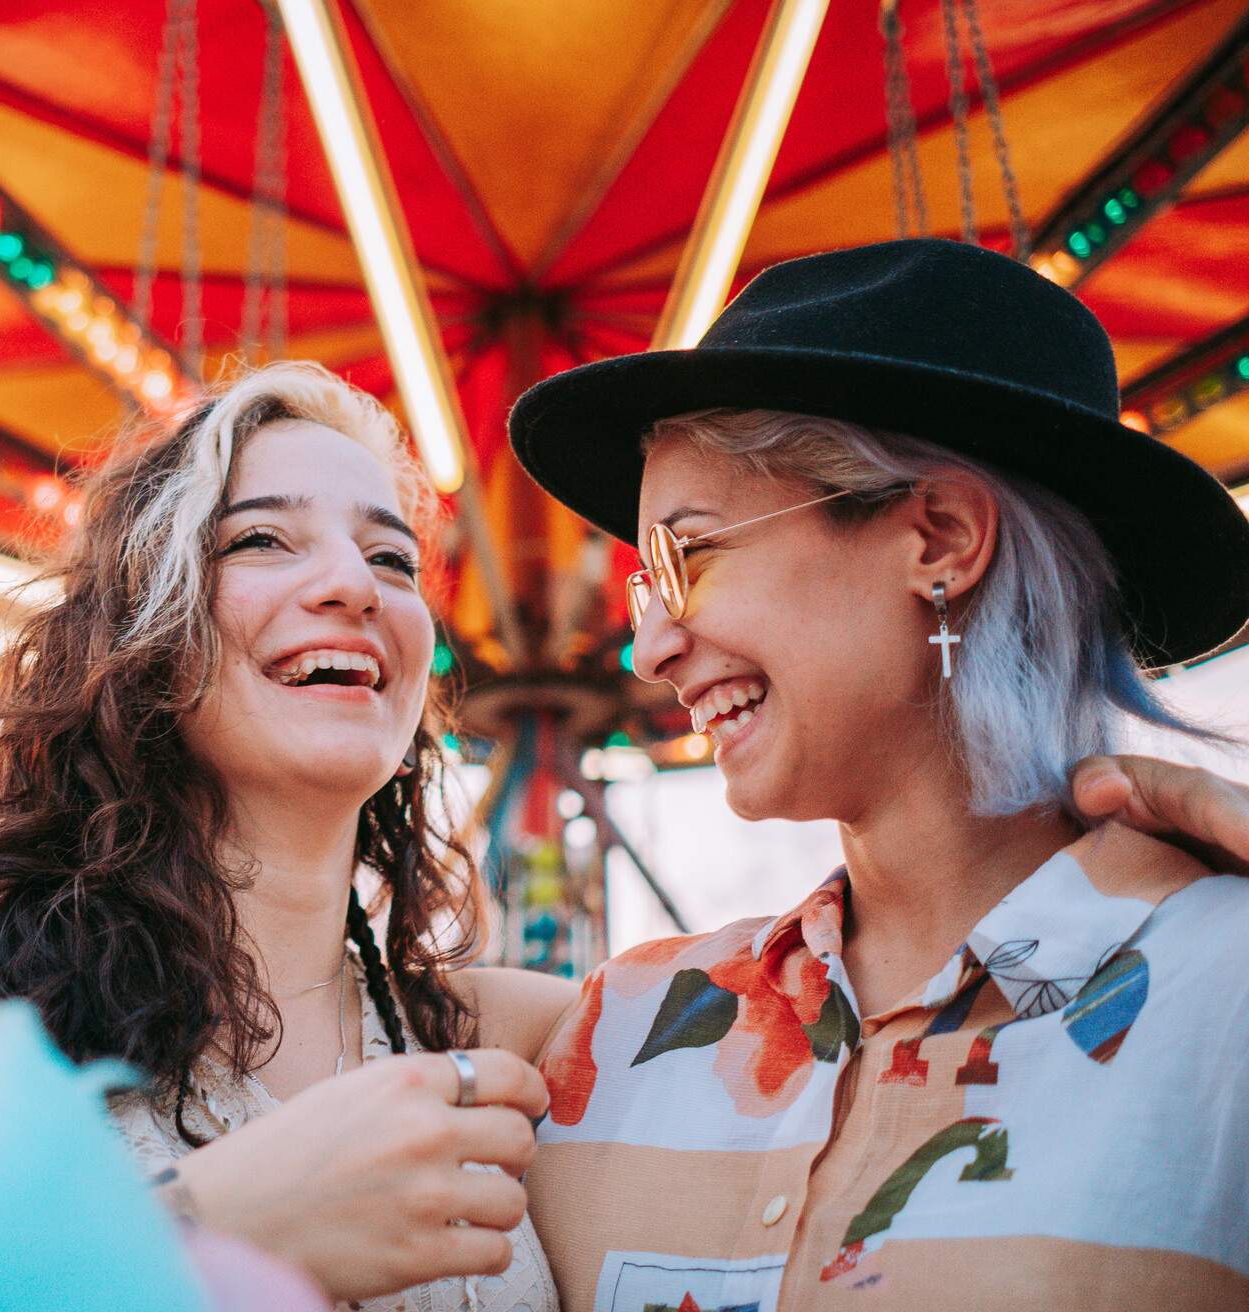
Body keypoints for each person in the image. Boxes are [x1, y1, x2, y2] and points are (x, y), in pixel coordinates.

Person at [0, 353, 1249, 1306]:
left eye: (392, 557)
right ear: (141, 625)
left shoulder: (540, 1044)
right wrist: (206, 1245)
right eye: (262, 540)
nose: (353, 585)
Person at [505, 237, 1249, 1310]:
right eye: (640, 589)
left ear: (940, 540)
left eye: (687, 557)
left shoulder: (1221, 994)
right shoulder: (617, 1027)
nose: (649, 649)